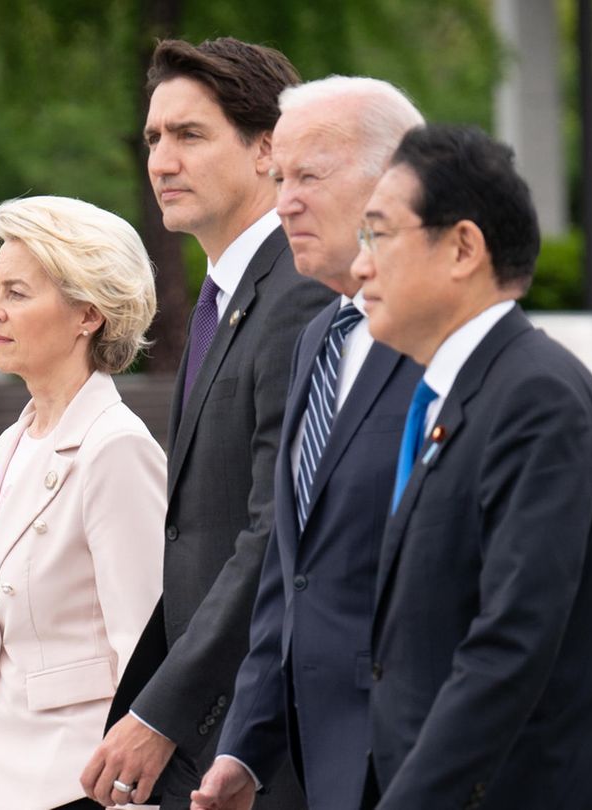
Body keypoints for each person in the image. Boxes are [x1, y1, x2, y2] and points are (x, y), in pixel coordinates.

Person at [352, 125, 592, 809]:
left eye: (379, 235)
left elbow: (512, 641)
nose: (360, 266)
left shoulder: (535, 396)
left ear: (463, 247)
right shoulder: (460, 392)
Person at [82, 38, 335, 810]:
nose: (162, 161)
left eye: (190, 136)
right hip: (211, 735)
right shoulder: (222, 299)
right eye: (155, 138)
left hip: (274, 739)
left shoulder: (299, 295)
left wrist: (165, 710)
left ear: (268, 150)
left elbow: (273, 534)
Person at [189, 77, 426, 810]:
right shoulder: (321, 338)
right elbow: (291, 575)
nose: (284, 199)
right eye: (280, 176)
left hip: (419, 751)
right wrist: (245, 748)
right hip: (321, 761)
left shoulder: (443, 346)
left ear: (398, 181)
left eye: (309, 177)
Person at [0, 196, 167, 810]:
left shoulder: (116, 446)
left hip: (87, 784)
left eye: (16, 292)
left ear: (87, 314)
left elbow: (144, 643)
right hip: (10, 781)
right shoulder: (14, 441)